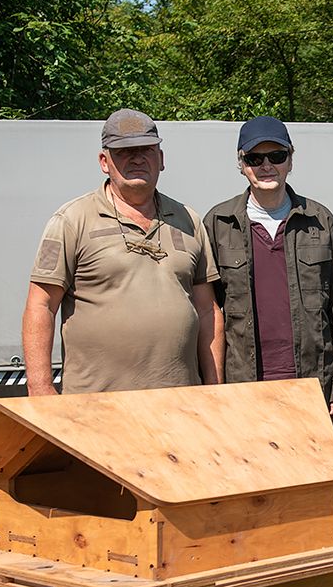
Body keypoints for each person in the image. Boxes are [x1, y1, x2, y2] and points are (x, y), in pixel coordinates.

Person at [203, 116, 333, 587]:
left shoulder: (319, 220)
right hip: (245, 391)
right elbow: (207, 313)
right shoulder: (218, 223)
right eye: (255, 158)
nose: (266, 166)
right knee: (247, 495)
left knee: (329, 493)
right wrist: (212, 388)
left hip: (312, 389)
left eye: (276, 156)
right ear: (241, 164)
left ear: (291, 159)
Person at [22, 108, 221, 395]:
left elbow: (207, 311)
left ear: (161, 159)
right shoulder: (72, 220)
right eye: (125, 151)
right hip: (96, 405)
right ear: (104, 162)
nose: (137, 158)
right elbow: (40, 305)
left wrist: (215, 390)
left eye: (146, 150)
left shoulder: (189, 221)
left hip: (180, 402)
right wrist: (40, 387)